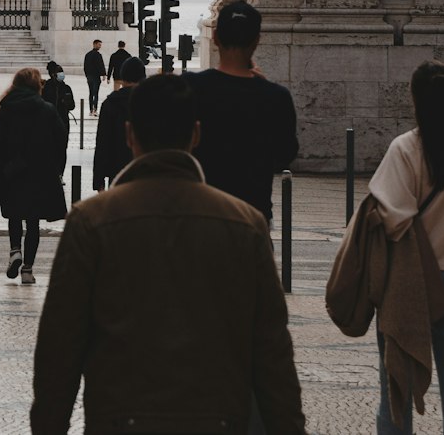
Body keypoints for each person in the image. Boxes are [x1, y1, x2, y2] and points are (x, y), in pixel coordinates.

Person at [30, 74, 306, 435]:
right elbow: (272, 354)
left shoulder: (91, 221)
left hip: (119, 423)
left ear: (129, 135)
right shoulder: (245, 224)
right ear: (195, 135)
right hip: (217, 422)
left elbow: (59, 349)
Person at [367, 60, 444, 433]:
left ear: (415, 99)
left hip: (413, 281)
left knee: (396, 391)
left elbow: (393, 218)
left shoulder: (406, 149)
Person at [193, 0, 299, 222]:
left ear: (215, 38)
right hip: (251, 215)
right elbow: (285, 154)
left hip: (200, 214)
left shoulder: (190, 88)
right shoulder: (276, 97)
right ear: (256, 41)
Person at [0, 67, 67, 286]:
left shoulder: (6, 108)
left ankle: (15, 251)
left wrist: (3, 166)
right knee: (32, 222)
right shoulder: (47, 109)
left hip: (13, 172)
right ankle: (27, 269)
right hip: (40, 172)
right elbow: (60, 141)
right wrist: (56, 169)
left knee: (14, 215)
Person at [92, 55, 145, 191]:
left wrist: (98, 181)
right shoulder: (150, 103)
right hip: (145, 173)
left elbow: (102, 142)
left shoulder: (110, 104)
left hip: (117, 173)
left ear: (122, 77)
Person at [42, 61, 76, 133]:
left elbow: (72, 106)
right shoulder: (45, 87)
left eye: (62, 72)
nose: (61, 74)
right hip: (48, 121)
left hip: (63, 121)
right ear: (53, 74)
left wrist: (67, 102)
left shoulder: (66, 88)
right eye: (59, 72)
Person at [82, 39, 106, 114]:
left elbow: (85, 66)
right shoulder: (98, 55)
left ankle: (91, 109)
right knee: (96, 93)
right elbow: (100, 65)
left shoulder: (88, 54)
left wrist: (87, 75)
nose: (100, 46)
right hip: (96, 77)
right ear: (94, 44)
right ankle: (95, 109)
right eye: (99, 45)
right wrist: (103, 74)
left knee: (91, 93)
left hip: (89, 76)